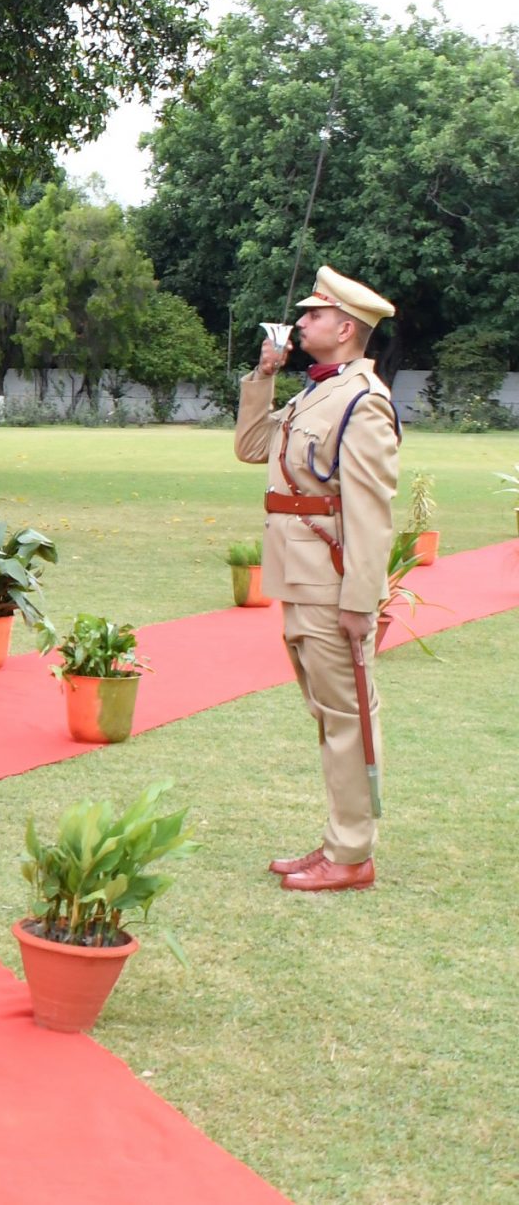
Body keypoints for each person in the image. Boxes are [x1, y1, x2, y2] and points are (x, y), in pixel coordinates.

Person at [238, 266, 400, 894]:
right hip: (301, 577)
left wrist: (363, 600)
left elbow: (369, 509)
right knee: (329, 715)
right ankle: (339, 840)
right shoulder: (316, 393)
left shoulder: (363, 401)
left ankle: (352, 854)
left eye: (311, 315)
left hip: (331, 582)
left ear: (345, 328)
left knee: (348, 717)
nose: (299, 323)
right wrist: (264, 377)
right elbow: (253, 447)